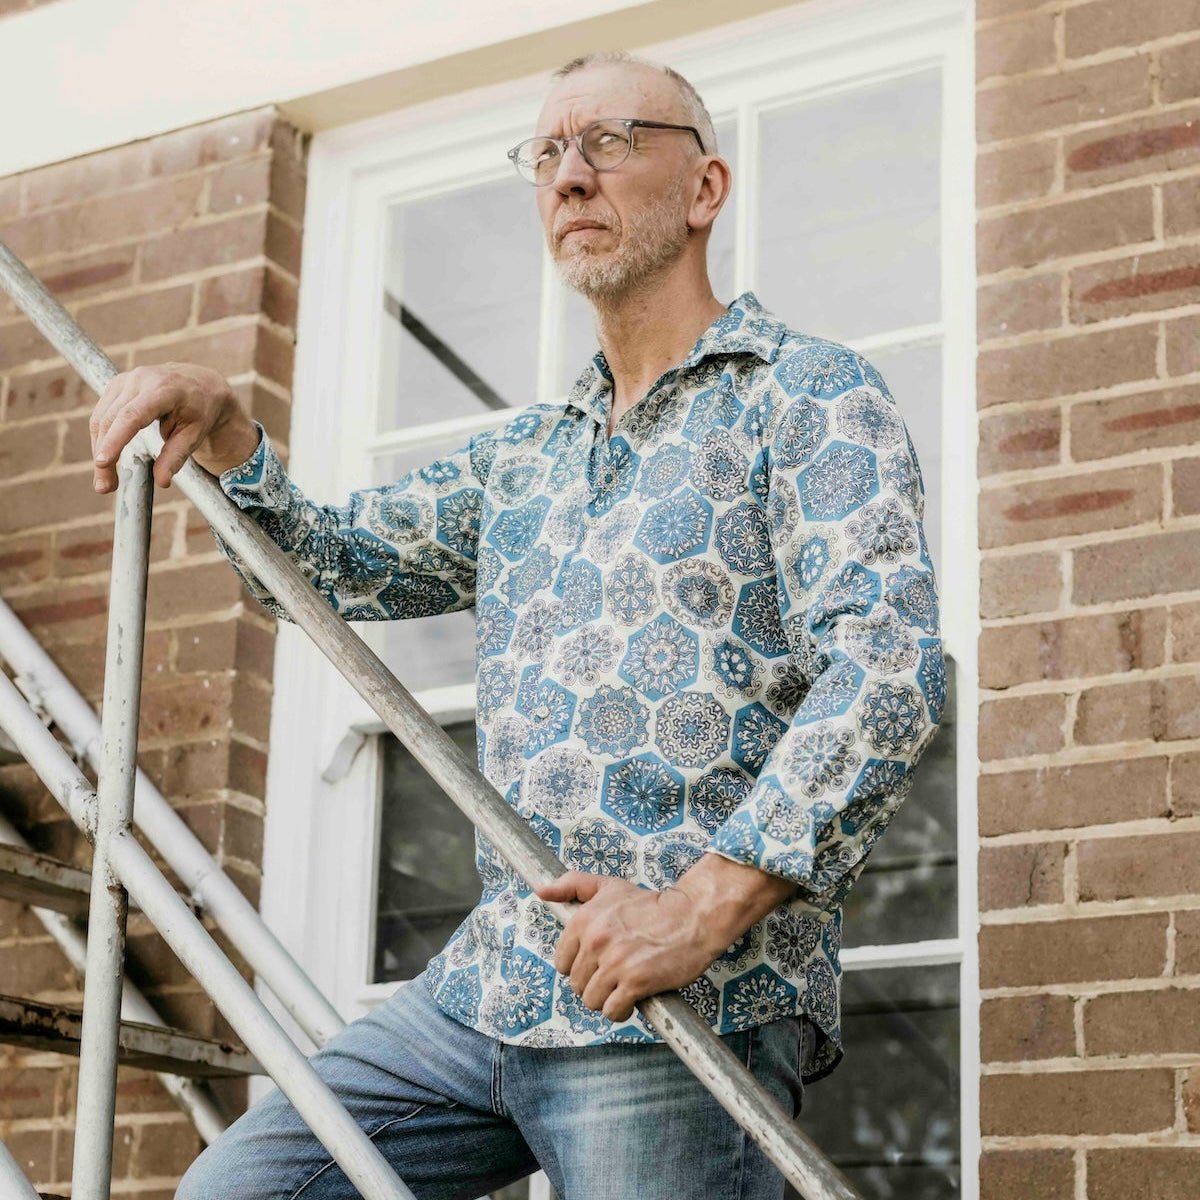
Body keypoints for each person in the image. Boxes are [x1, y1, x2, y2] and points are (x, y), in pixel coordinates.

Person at [90, 48, 945, 1200]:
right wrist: (233, 433)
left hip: (683, 1002)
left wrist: (700, 910)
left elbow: (886, 666)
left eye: (611, 141)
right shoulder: (525, 458)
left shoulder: (805, 394)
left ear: (705, 189)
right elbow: (331, 568)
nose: (570, 175)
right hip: (490, 985)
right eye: (546, 153)